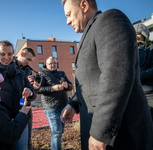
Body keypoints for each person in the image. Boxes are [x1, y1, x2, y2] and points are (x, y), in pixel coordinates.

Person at [60, 0, 153, 150]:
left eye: (69, 14)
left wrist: (101, 132)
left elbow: (115, 76)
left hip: (120, 134)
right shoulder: (89, 33)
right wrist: (73, 103)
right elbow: (91, 80)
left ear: (84, 5)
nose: (67, 21)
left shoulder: (110, 20)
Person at [0, 40, 36, 150]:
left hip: (20, 117)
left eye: (10, 54)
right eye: (3, 54)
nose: (7, 57)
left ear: (13, 54)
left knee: (22, 147)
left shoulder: (21, 72)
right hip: (1, 119)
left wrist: (30, 92)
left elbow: (32, 92)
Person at [37, 56, 73, 150]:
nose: (53, 65)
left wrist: (67, 85)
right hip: (51, 107)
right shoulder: (42, 74)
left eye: (55, 63)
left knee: (60, 131)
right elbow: (38, 89)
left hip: (63, 105)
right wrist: (53, 88)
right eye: (50, 63)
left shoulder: (61, 73)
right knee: (56, 132)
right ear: (46, 64)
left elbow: (71, 86)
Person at [16, 47, 37, 150]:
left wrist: (32, 89)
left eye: (31, 61)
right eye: (28, 59)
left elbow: (32, 91)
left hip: (25, 104)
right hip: (12, 106)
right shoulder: (9, 66)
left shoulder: (28, 70)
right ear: (22, 53)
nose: (29, 62)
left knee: (27, 135)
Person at [133, 23, 153, 121]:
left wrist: (137, 76)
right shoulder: (130, 50)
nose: (136, 35)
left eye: (138, 33)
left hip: (149, 94)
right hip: (134, 94)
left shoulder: (151, 48)